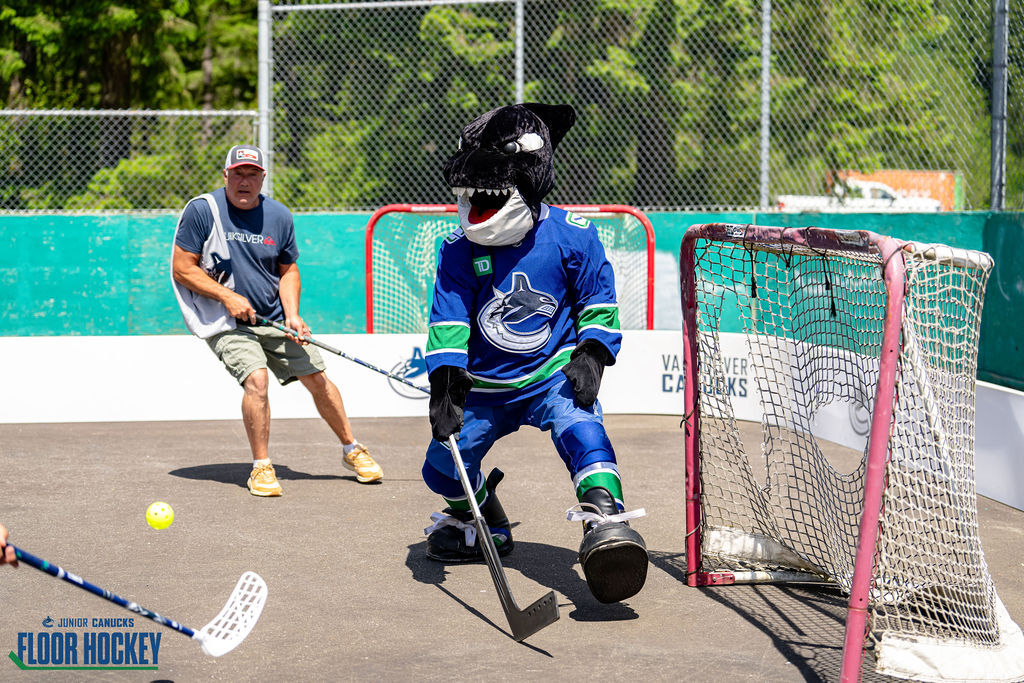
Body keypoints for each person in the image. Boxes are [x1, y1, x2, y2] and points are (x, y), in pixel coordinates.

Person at [420, 103, 649, 604]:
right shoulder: (457, 249)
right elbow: (449, 320)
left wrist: (593, 352)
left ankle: (605, 521)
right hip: (485, 388)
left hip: (551, 376)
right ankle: (482, 520)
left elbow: (598, 300)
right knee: (439, 469)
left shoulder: (574, 234)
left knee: (583, 430)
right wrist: (446, 382)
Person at [171, 144, 383, 496]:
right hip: (226, 321)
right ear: (225, 175)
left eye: (252, 174)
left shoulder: (279, 215)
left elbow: (288, 270)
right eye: (238, 173)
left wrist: (293, 315)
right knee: (257, 379)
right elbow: (182, 268)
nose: (244, 181)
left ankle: (352, 449)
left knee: (317, 378)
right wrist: (227, 297)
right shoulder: (203, 210)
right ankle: (261, 468)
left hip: (273, 319)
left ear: (262, 178)